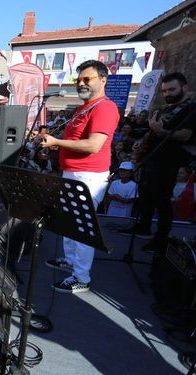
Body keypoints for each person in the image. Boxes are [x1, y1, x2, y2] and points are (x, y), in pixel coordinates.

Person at [41, 60, 119, 293]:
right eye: (79, 80)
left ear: (103, 80)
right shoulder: (81, 108)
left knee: (82, 227)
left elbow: (94, 145)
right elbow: (75, 141)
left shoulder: (104, 108)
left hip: (88, 175)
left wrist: (57, 142)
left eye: (87, 79)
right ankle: (71, 261)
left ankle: (81, 277)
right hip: (72, 172)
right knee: (70, 222)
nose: (81, 83)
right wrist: (55, 149)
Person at [123, 72, 196, 254]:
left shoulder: (191, 109)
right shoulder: (166, 108)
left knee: (162, 200)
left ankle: (161, 239)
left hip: (170, 160)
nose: (167, 94)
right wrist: (142, 141)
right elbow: (153, 131)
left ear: (185, 87)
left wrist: (162, 130)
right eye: (164, 90)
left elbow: (185, 134)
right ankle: (143, 227)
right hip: (153, 157)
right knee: (145, 193)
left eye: (172, 89)